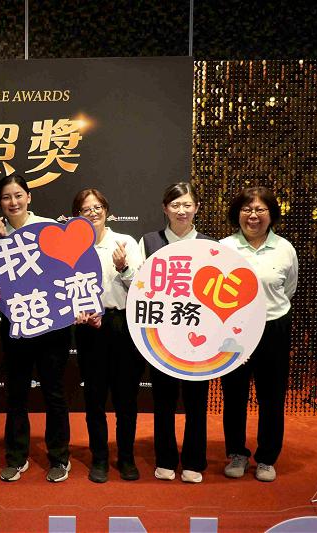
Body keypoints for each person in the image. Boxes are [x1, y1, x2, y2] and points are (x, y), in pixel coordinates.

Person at [0, 174, 72, 483]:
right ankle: (16, 457)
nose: (13, 202)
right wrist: (2, 245)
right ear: (0, 203)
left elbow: (64, 272)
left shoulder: (49, 228)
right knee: (17, 393)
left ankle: (59, 457)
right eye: (6, 197)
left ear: (29, 197)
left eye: (18, 195)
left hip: (52, 325)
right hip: (17, 324)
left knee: (54, 392)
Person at [220, 186, 298, 482]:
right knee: (234, 395)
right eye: (246, 209)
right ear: (237, 214)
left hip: (274, 328)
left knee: (272, 396)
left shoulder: (284, 248)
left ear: (271, 214)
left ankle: (266, 458)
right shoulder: (224, 247)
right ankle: (237, 453)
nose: (253, 215)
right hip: (234, 329)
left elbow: (288, 289)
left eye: (260, 209)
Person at [139, 182, 213, 484]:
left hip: (199, 337)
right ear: (165, 208)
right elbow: (140, 288)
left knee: (197, 403)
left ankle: (194, 461)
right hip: (162, 338)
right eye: (175, 205)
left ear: (196, 208)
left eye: (187, 204)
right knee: (164, 403)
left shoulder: (210, 245)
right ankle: (165, 459)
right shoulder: (149, 241)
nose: (181, 210)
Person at [72, 188, 145, 483]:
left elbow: (142, 286)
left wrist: (122, 267)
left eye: (97, 207)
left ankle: (126, 457)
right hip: (89, 329)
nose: (93, 213)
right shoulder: (73, 247)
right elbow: (63, 289)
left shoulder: (125, 242)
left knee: (126, 399)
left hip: (122, 325)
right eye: (86, 209)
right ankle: (99, 458)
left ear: (106, 211)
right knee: (94, 399)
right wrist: (78, 313)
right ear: (77, 215)